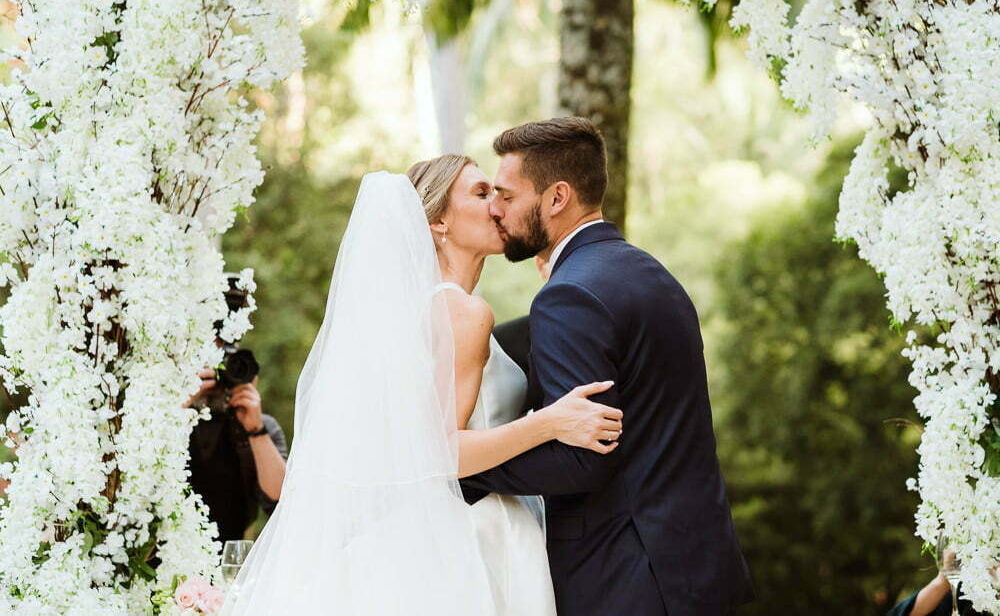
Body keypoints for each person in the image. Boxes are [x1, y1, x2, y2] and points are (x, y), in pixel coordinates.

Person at [223, 156, 623, 614]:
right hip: (474, 533)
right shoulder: (464, 313)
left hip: (428, 532)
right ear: (437, 224)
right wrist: (551, 423)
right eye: (480, 193)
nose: (497, 205)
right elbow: (441, 452)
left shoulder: (416, 317)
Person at [460, 117, 755, 616]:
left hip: (627, 576)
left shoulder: (570, 294)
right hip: (696, 566)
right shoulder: (648, 271)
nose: (497, 210)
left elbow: (584, 457)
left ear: (557, 198)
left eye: (508, 197)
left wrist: (467, 471)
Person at [186, 367, 288, 542]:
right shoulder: (164, 420)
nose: (217, 380)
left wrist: (254, 429)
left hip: (230, 557)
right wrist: (178, 407)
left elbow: (280, 503)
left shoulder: (260, 425)